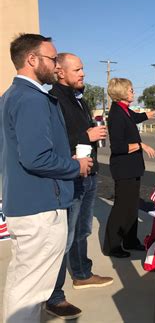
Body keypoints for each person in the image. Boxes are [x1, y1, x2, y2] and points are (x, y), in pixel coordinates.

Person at [1, 33, 92, 322]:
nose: (56, 66)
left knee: (23, 283)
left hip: (27, 204)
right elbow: (36, 157)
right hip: (40, 207)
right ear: (31, 59)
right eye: (52, 59)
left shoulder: (10, 96)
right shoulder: (31, 99)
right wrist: (75, 167)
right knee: (30, 291)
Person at [45, 53, 113, 320]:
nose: (83, 73)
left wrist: (93, 131)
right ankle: (54, 295)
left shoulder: (78, 98)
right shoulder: (53, 100)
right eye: (78, 70)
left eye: (83, 68)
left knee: (82, 229)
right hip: (70, 174)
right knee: (65, 235)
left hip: (89, 172)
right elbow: (53, 139)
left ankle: (82, 274)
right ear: (60, 72)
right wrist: (86, 135)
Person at [103, 78, 155, 258]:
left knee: (132, 206)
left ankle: (130, 240)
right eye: (131, 90)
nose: (134, 92)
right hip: (123, 169)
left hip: (132, 168)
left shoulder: (125, 110)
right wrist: (140, 145)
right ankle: (112, 245)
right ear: (122, 92)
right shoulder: (116, 114)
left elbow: (140, 117)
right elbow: (117, 147)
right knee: (121, 207)